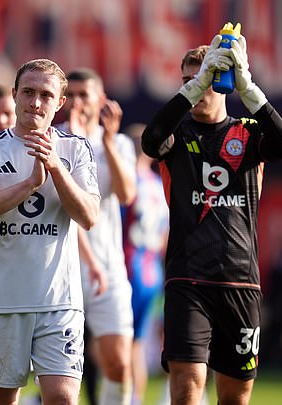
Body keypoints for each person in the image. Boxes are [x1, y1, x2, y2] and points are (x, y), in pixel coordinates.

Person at [141, 33, 282, 405]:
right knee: (187, 384)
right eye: (187, 81)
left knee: (235, 397)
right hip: (187, 279)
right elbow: (151, 140)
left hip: (240, 280)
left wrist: (248, 85)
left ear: (223, 82)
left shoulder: (249, 132)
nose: (195, 89)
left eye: (205, 80)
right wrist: (194, 87)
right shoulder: (177, 134)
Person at [0, 58, 100, 405]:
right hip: (5, 299)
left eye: (45, 95)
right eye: (28, 92)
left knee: (63, 398)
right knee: (1, 400)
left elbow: (89, 215)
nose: (35, 103)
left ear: (60, 103)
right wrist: (28, 185)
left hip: (60, 301)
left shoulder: (75, 149)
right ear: (15, 95)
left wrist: (54, 168)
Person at [60, 67, 137, 404]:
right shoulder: (56, 138)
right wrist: (75, 144)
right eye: (71, 95)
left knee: (119, 363)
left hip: (108, 266)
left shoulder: (118, 142)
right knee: (62, 371)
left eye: (84, 95)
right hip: (63, 269)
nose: (77, 102)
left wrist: (106, 141)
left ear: (101, 99)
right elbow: (67, 206)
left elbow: (126, 195)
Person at [121, 123, 169, 405]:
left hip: (129, 266)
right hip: (153, 269)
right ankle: (135, 399)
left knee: (118, 344)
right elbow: (165, 237)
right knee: (136, 345)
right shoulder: (158, 185)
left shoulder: (129, 182)